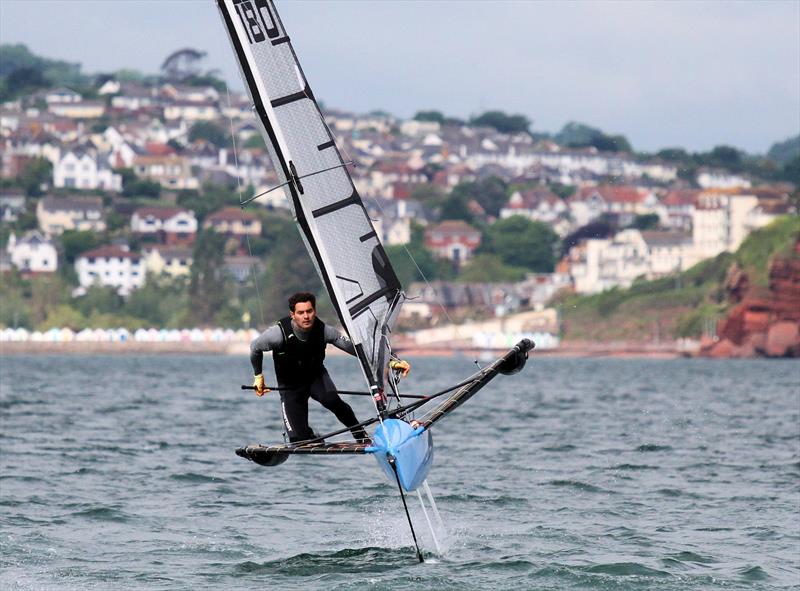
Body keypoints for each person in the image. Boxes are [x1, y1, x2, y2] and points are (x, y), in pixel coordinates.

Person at [250, 292, 410, 444]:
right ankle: (310, 436)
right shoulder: (278, 334)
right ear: (293, 314)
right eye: (300, 312)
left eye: (309, 311)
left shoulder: (325, 331)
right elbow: (255, 347)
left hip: (315, 377)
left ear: (314, 311)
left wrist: (391, 360)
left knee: (333, 400)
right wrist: (258, 376)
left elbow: (357, 350)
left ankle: (360, 435)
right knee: (298, 441)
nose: (306, 316)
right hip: (290, 386)